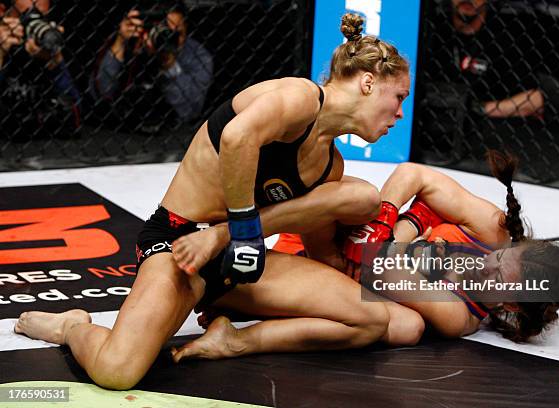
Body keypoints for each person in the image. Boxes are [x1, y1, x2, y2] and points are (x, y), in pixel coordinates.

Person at [14, 13, 411, 390]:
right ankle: (71, 326)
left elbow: (322, 250)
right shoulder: (300, 97)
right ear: (368, 82)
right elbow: (238, 138)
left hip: (237, 259)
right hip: (180, 246)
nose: (399, 114)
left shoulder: (330, 165)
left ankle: (235, 338)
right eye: (399, 97)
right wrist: (241, 231)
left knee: (372, 317)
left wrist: (380, 260)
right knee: (117, 370)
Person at [176, 151, 559, 361]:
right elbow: (412, 174)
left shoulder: (458, 315)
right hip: (332, 244)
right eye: (505, 257)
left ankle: (249, 308)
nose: (491, 263)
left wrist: (408, 225)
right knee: (356, 197)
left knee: (402, 326)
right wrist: (395, 225)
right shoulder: (494, 228)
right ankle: (235, 226)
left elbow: (373, 268)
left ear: (511, 304)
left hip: (331, 269)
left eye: (501, 276)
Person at [416, 0, 559, 173]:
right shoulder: (429, 29)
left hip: (497, 140)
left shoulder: (509, 35)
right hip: (434, 136)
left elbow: (538, 98)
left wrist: (478, 109)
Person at [90, 1, 213, 133]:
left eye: (176, 33)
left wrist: (169, 65)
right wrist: (120, 43)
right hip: (117, 131)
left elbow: (188, 112)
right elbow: (101, 94)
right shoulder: (131, 43)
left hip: (172, 136)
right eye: (162, 29)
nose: (168, 37)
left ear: (186, 29)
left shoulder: (198, 55)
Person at [0, 0, 80, 141]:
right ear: (3, 12)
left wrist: (55, 61)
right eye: (25, 17)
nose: (33, 24)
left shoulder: (51, 45)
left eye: (41, 17)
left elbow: (77, 116)